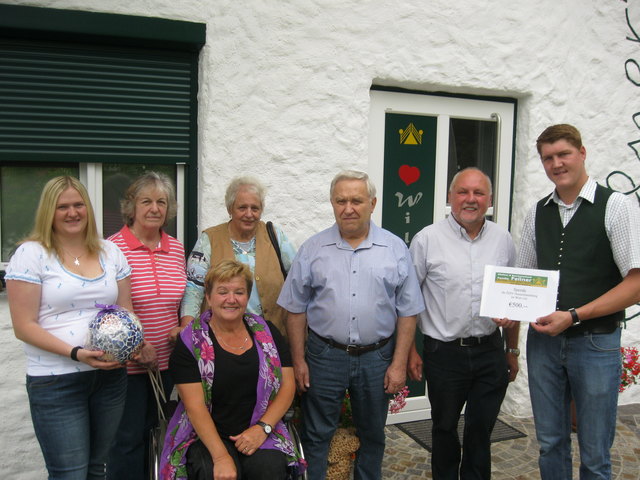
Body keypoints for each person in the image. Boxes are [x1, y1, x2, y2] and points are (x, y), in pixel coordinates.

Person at [277, 169, 425, 480]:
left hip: (377, 357)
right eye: (340, 200)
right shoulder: (313, 249)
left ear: (373, 203)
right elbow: (294, 308)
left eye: (356, 200)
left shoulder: (395, 248)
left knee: (373, 435)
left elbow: (408, 310)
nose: (348, 208)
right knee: (316, 435)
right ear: (332, 203)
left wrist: (399, 363)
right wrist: (300, 360)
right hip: (324, 356)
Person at [518, 124, 640, 479]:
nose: (556, 163)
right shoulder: (536, 212)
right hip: (543, 344)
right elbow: (525, 276)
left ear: (582, 153)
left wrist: (573, 316)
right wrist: (509, 311)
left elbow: (635, 284)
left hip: (596, 343)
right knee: (550, 443)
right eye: (548, 158)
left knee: (595, 451)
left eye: (563, 154)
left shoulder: (616, 206)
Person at [5, 176, 134, 480]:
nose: (72, 212)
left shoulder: (110, 252)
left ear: (88, 209)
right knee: (70, 474)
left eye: (78, 205)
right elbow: (24, 326)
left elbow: (125, 310)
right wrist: (77, 353)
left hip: (109, 378)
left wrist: (131, 342)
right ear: (49, 212)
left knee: (98, 470)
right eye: (63, 207)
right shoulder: (31, 254)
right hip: (55, 381)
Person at [407, 167, 519, 479]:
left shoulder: (503, 240)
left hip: (489, 351)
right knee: (443, 427)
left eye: (478, 193)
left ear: (490, 200)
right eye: (463, 192)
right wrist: (409, 352)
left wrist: (513, 350)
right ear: (450, 197)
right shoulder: (426, 240)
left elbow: (513, 298)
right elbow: (408, 301)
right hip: (444, 354)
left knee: (481, 430)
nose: (470, 199)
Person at [160, 259, 303, 480]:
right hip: (205, 436)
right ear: (208, 297)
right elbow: (195, 406)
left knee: (271, 470)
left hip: (258, 429)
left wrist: (262, 429)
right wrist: (220, 457)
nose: (231, 299)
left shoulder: (267, 333)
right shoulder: (190, 342)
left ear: (247, 297)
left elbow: (287, 385)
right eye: (223, 292)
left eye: (239, 292)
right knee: (214, 473)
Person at [107, 172, 187, 480]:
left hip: (166, 365)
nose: (154, 208)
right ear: (131, 207)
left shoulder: (176, 249)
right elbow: (107, 309)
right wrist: (136, 348)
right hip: (126, 367)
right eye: (146, 201)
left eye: (161, 202)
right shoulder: (112, 248)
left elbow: (184, 302)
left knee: (160, 437)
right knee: (127, 441)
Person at [180, 176, 296, 336]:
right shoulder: (209, 239)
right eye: (242, 207)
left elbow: (297, 279)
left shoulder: (275, 236)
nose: (249, 214)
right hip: (221, 338)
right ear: (230, 209)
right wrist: (187, 330)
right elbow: (194, 287)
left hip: (272, 337)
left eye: (255, 208)